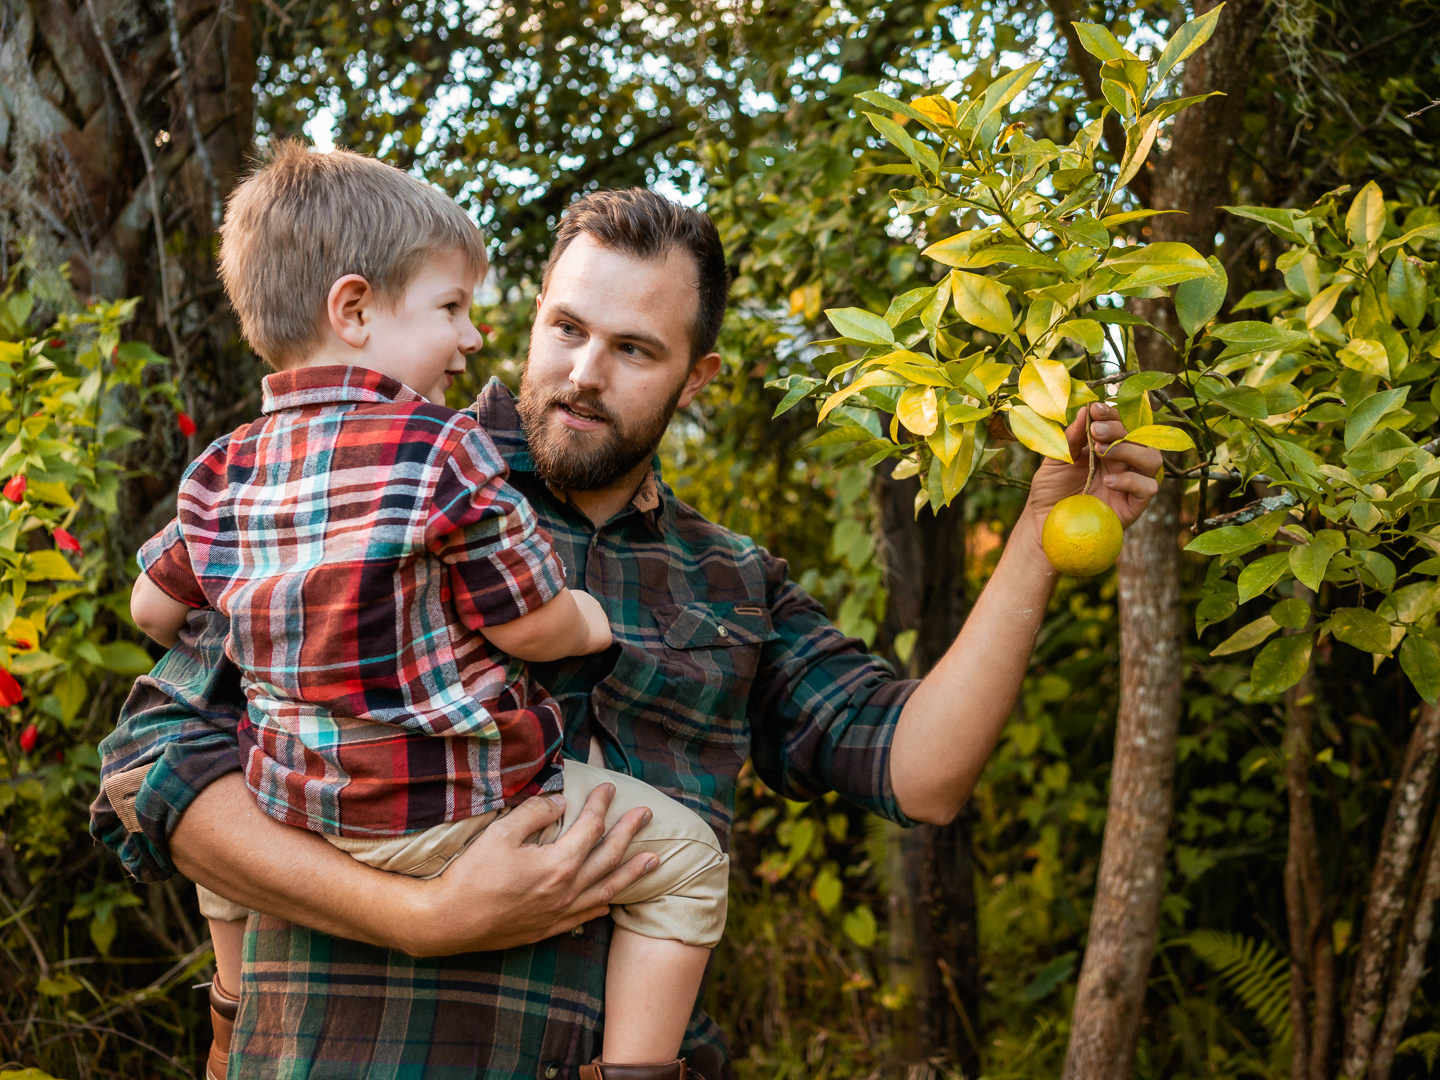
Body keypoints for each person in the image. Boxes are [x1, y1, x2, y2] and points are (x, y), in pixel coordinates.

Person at [93, 178, 1163, 1079]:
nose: (584, 374)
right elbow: (157, 773)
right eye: (566, 329)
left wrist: (1036, 530)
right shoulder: (369, 481)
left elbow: (921, 769)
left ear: (696, 379)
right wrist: (424, 915)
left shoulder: (732, 583)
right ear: (527, 322)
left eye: (634, 350)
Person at [125, 142, 730, 1080]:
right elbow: (528, 626)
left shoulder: (222, 470)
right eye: (451, 308)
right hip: (437, 806)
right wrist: (589, 622)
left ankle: (229, 1018)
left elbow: (152, 609)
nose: (470, 337)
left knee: (228, 802)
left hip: (295, 806)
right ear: (355, 310)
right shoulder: (444, 449)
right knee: (690, 862)